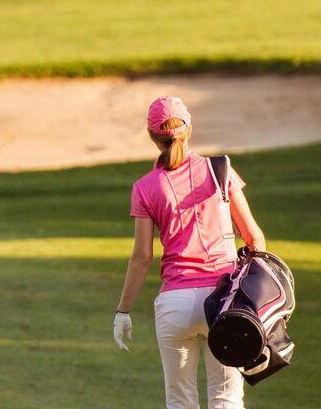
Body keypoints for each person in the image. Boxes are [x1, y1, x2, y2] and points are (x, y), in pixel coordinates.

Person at [113, 96, 268, 409]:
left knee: (180, 401)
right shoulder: (219, 171)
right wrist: (259, 304)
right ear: (189, 128)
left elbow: (143, 255)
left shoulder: (145, 187)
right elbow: (254, 238)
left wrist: (123, 310)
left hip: (175, 306)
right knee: (226, 399)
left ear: (152, 136)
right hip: (223, 300)